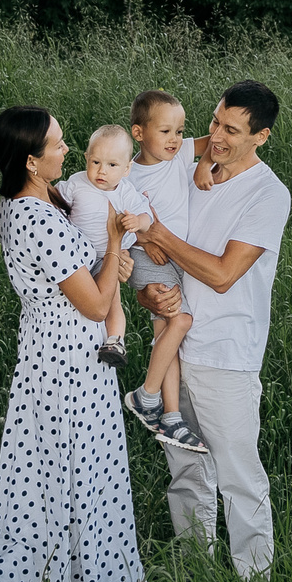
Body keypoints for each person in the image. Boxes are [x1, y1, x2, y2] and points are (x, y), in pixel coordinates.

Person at [0, 105, 143, 582]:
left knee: (79, 473)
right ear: (31, 161)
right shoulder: (37, 219)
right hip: (65, 364)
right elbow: (94, 306)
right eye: (57, 144)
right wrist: (115, 247)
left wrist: (111, 268)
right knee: (66, 480)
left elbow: (90, 283)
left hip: (70, 356)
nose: (67, 149)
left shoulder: (41, 198)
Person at [133, 80, 291, 578]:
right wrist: (146, 294)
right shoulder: (185, 165)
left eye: (232, 130)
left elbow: (223, 275)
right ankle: (195, 573)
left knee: (238, 477)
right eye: (215, 122)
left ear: (261, 137)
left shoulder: (268, 195)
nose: (217, 136)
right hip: (173, 346)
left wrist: (159, 234)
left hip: (225, 352)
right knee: (186, 470)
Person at [118, 92, 209, 455]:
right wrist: (143, 237)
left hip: (172, 258)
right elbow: (117, 217)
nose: (175, 139)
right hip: (148, 258)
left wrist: (202, 164)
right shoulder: (127, 173)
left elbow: (213, 143)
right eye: (165, 131)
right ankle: (146, 396)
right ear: (138, 133)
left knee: (166, 335)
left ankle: (171, 417)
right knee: (181, 320)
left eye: (180, 131)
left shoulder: (182, 153)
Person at [57, 123, 155, 373]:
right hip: (77, 257)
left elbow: (147, 215)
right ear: (86, 158)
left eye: (112, 165)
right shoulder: (76, 183)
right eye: (96, 162)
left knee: (113, 301)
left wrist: (138, 222)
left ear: (126, 169)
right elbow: (56, 203)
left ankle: (115, 340)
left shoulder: (125, 192)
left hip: (108, 258)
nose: (102, 171)